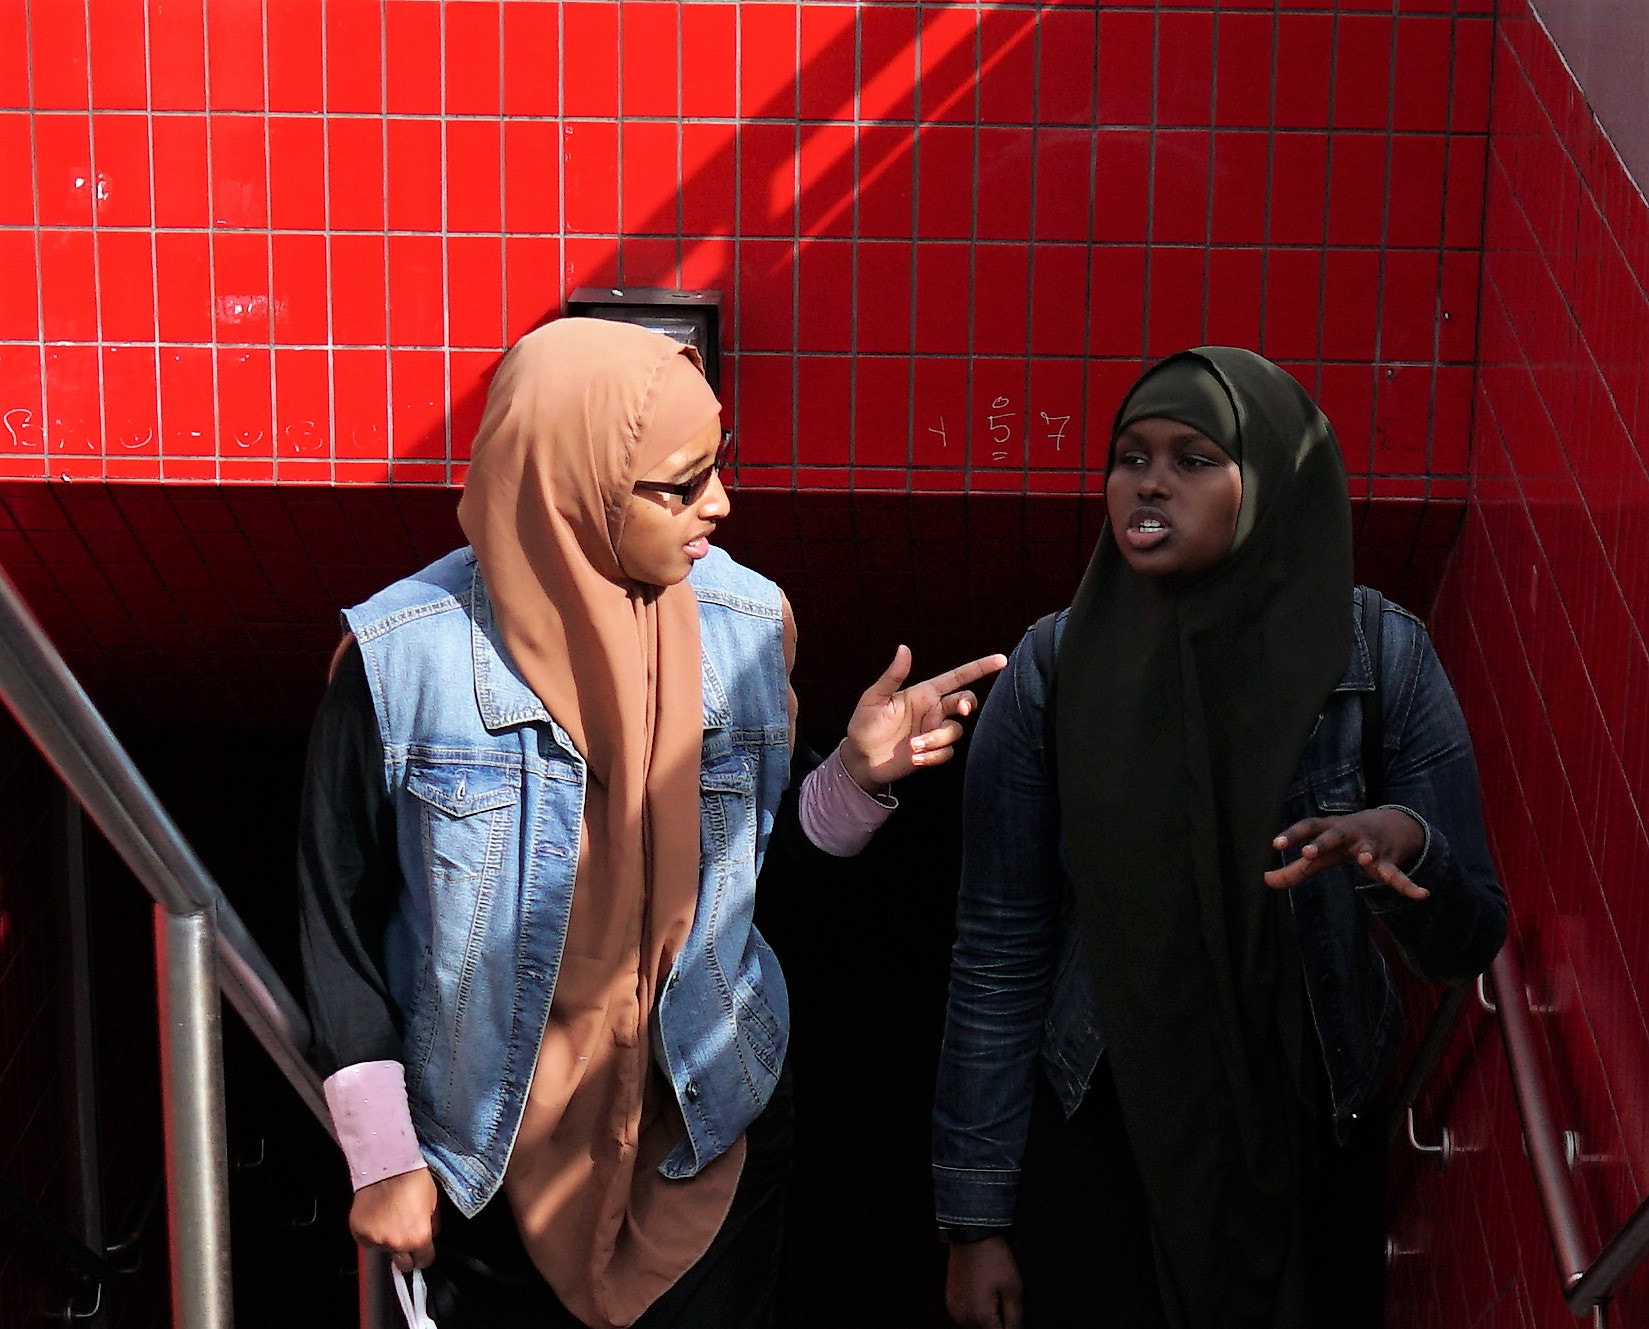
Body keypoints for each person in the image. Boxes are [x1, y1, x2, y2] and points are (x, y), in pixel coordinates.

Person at [299, 317, 1005, 1329]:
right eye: (679, 485)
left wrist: (855, 775)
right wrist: (383, 1157)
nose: (716, 504)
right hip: (480, 1164)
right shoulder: (400, 661)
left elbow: (756, 879)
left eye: (717, 468)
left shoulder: (746, 623)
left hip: (707, 1129)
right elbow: (337, 918)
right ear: (570, 483)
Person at [931, 347, 1506, 1329]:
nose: (1150, 481)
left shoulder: (1382, 655)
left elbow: (1466, 939)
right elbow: (998, 944)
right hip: (1105, 1119)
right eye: (1130, 455)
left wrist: (1397, 848)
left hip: (1312, 1129)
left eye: (1192, 457)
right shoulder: (1051, 671)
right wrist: (974, 1216)